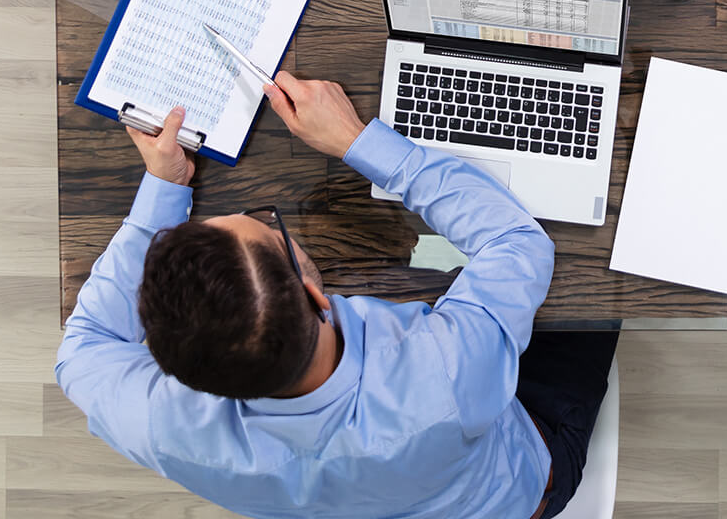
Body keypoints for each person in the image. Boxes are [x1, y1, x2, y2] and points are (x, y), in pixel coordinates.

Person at [55, 71, 618, 519]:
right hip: (520, 480)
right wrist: (356, 139)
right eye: (271, 229)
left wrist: (164, 187)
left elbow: (83, 345)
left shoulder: (157, 423)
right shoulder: (444, 372)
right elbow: (516, 241)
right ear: (315, 296)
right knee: (606, 286)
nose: (276, 226)